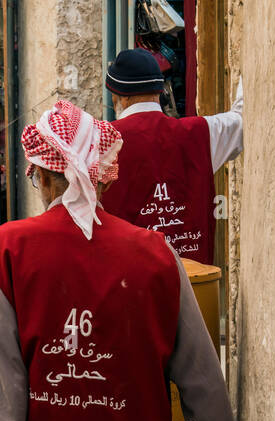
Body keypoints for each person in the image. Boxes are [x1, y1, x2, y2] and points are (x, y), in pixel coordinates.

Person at [0, 98, 247, 421]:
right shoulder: (158, 254)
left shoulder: (4, 250)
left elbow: (1, 391)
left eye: (36, 176)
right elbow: (203, 383)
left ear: (46, 177)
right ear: (103, 176)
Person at [101, 48, 243, 264]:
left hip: (129, 287)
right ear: (160, 91)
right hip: (193, 285)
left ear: (117, 97)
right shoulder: (201, 133)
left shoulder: (100, 141)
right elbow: (241, 120)